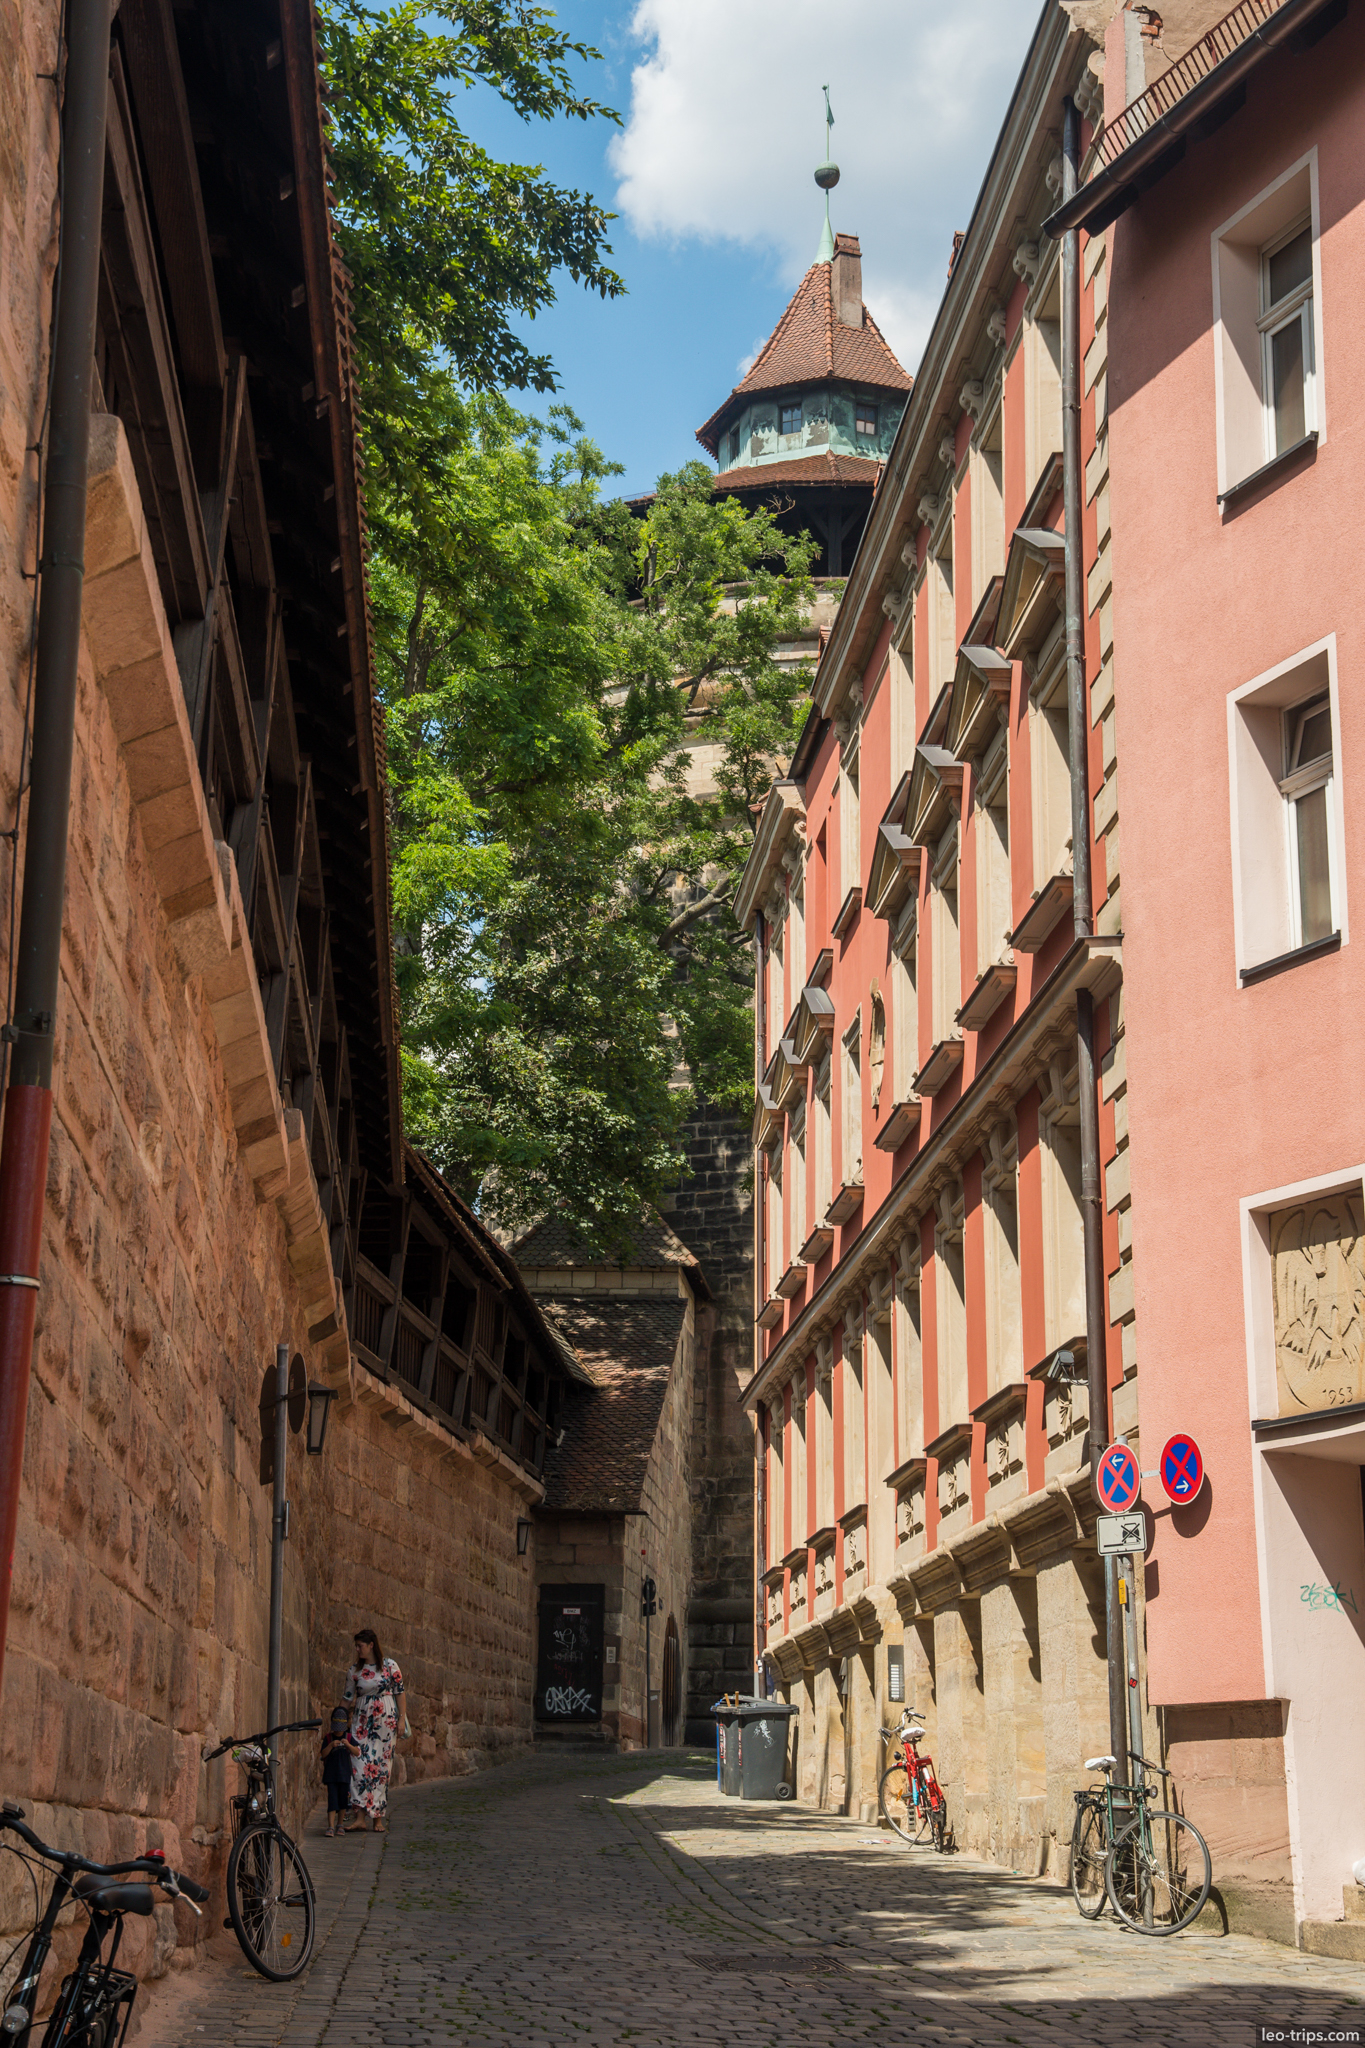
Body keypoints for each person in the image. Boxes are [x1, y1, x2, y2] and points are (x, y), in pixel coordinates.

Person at [342, 1628, 405, 1833]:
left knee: (380, 1770)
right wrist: (338, 1720)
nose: (357, 1649)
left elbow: (400, 1694)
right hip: (361, 1723)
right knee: (359, 1766)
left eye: (360, 1645)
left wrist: (402, 1720)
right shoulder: (354, 1671)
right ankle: (360, 1817)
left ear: (371, 1645)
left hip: (385, 1723)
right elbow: (347, 1698)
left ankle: (377, 1819)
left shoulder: (390, 1666)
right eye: (356, 1646)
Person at [320, 1705, 359, 1839]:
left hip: (344, 1775)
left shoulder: (348, 1737)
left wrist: (348, 1745)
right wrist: (331, 1745)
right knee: (332, 1801)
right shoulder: (328, 1738)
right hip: (331, 1775)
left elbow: (357, 1751)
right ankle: (330, 1825)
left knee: (343, 1801)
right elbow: (323, 1754)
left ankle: (340, 1824)